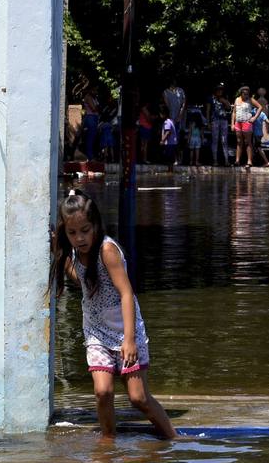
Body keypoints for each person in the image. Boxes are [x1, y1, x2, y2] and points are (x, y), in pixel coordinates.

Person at [51, 190, 176, 440]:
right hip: (96, 332)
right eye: (72, 233)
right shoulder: (73, 252)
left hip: (125, 330)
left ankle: (173, 437)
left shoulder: (107, 250)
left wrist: (129, 340)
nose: (80, 238)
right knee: (102, 392)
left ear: (95, 224)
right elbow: (86, 283)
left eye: (85, 230)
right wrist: (61, 256)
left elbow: (126, 294)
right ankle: (108, 442)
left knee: (138, 398)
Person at [163, 78, 187, 162]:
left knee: (179, 138)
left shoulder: (180, 91)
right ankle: (171, 158)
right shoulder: (166, 92)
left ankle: (179, 158)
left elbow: (184, 103)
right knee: (170, 138)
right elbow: (167, 105)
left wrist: (180, 114)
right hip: (171, 119)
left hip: (179, 119)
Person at [232, 86, 257, 168]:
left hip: (247, 122)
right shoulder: (237, 99)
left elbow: (260, 107)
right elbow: (234, 112)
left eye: (247, 94)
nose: (246, 95)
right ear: (241, 93)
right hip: (238, 122)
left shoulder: (250, 99)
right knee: (239, 142)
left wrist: (254, 117)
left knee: (247, 142)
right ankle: (237, 160)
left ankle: (249, 161)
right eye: (244, 93)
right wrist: (232, 124)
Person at [209, 84, 232, 166]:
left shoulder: (224, 98)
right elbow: (208, 111)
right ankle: (215, 160)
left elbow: (229, 108)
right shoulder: (211, 98)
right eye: (218, 89)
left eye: (221, 90)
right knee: (215, 141)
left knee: (224, 140)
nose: (220, 91)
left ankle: (226, 160)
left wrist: (224, 101)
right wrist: (208, 122)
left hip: (224, 120)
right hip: (214, 121)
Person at [251, 87, 269, 167]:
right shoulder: (261, 114)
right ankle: (251, 162)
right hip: (258, 133)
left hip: (256, 133)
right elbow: (268, 118)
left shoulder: (255, 112)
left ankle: (266, 161)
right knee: (254, 147)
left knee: (257, 147)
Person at [185, 100, 207, 167]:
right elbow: (201, 133)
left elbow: (190, 132)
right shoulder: (200, 125)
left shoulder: (191, 124)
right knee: (197, 151)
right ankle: (197, 162)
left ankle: (191, 162)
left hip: (192, 138)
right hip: (198, 139)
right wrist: (203, 139)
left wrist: (188, 140)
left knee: (191, 151)